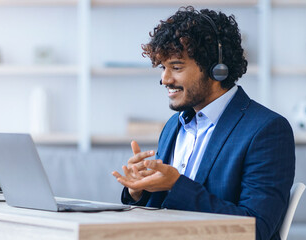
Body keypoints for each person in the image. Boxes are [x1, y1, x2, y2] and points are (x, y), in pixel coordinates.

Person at [111, 6, 295, 240]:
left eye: (176, 67)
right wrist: (139, 190)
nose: (165, 79)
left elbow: (255, 229)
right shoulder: (174, 125)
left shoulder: (266, 130)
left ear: (216, 70)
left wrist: (177, 185)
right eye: (163, 68)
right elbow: (163, 208)